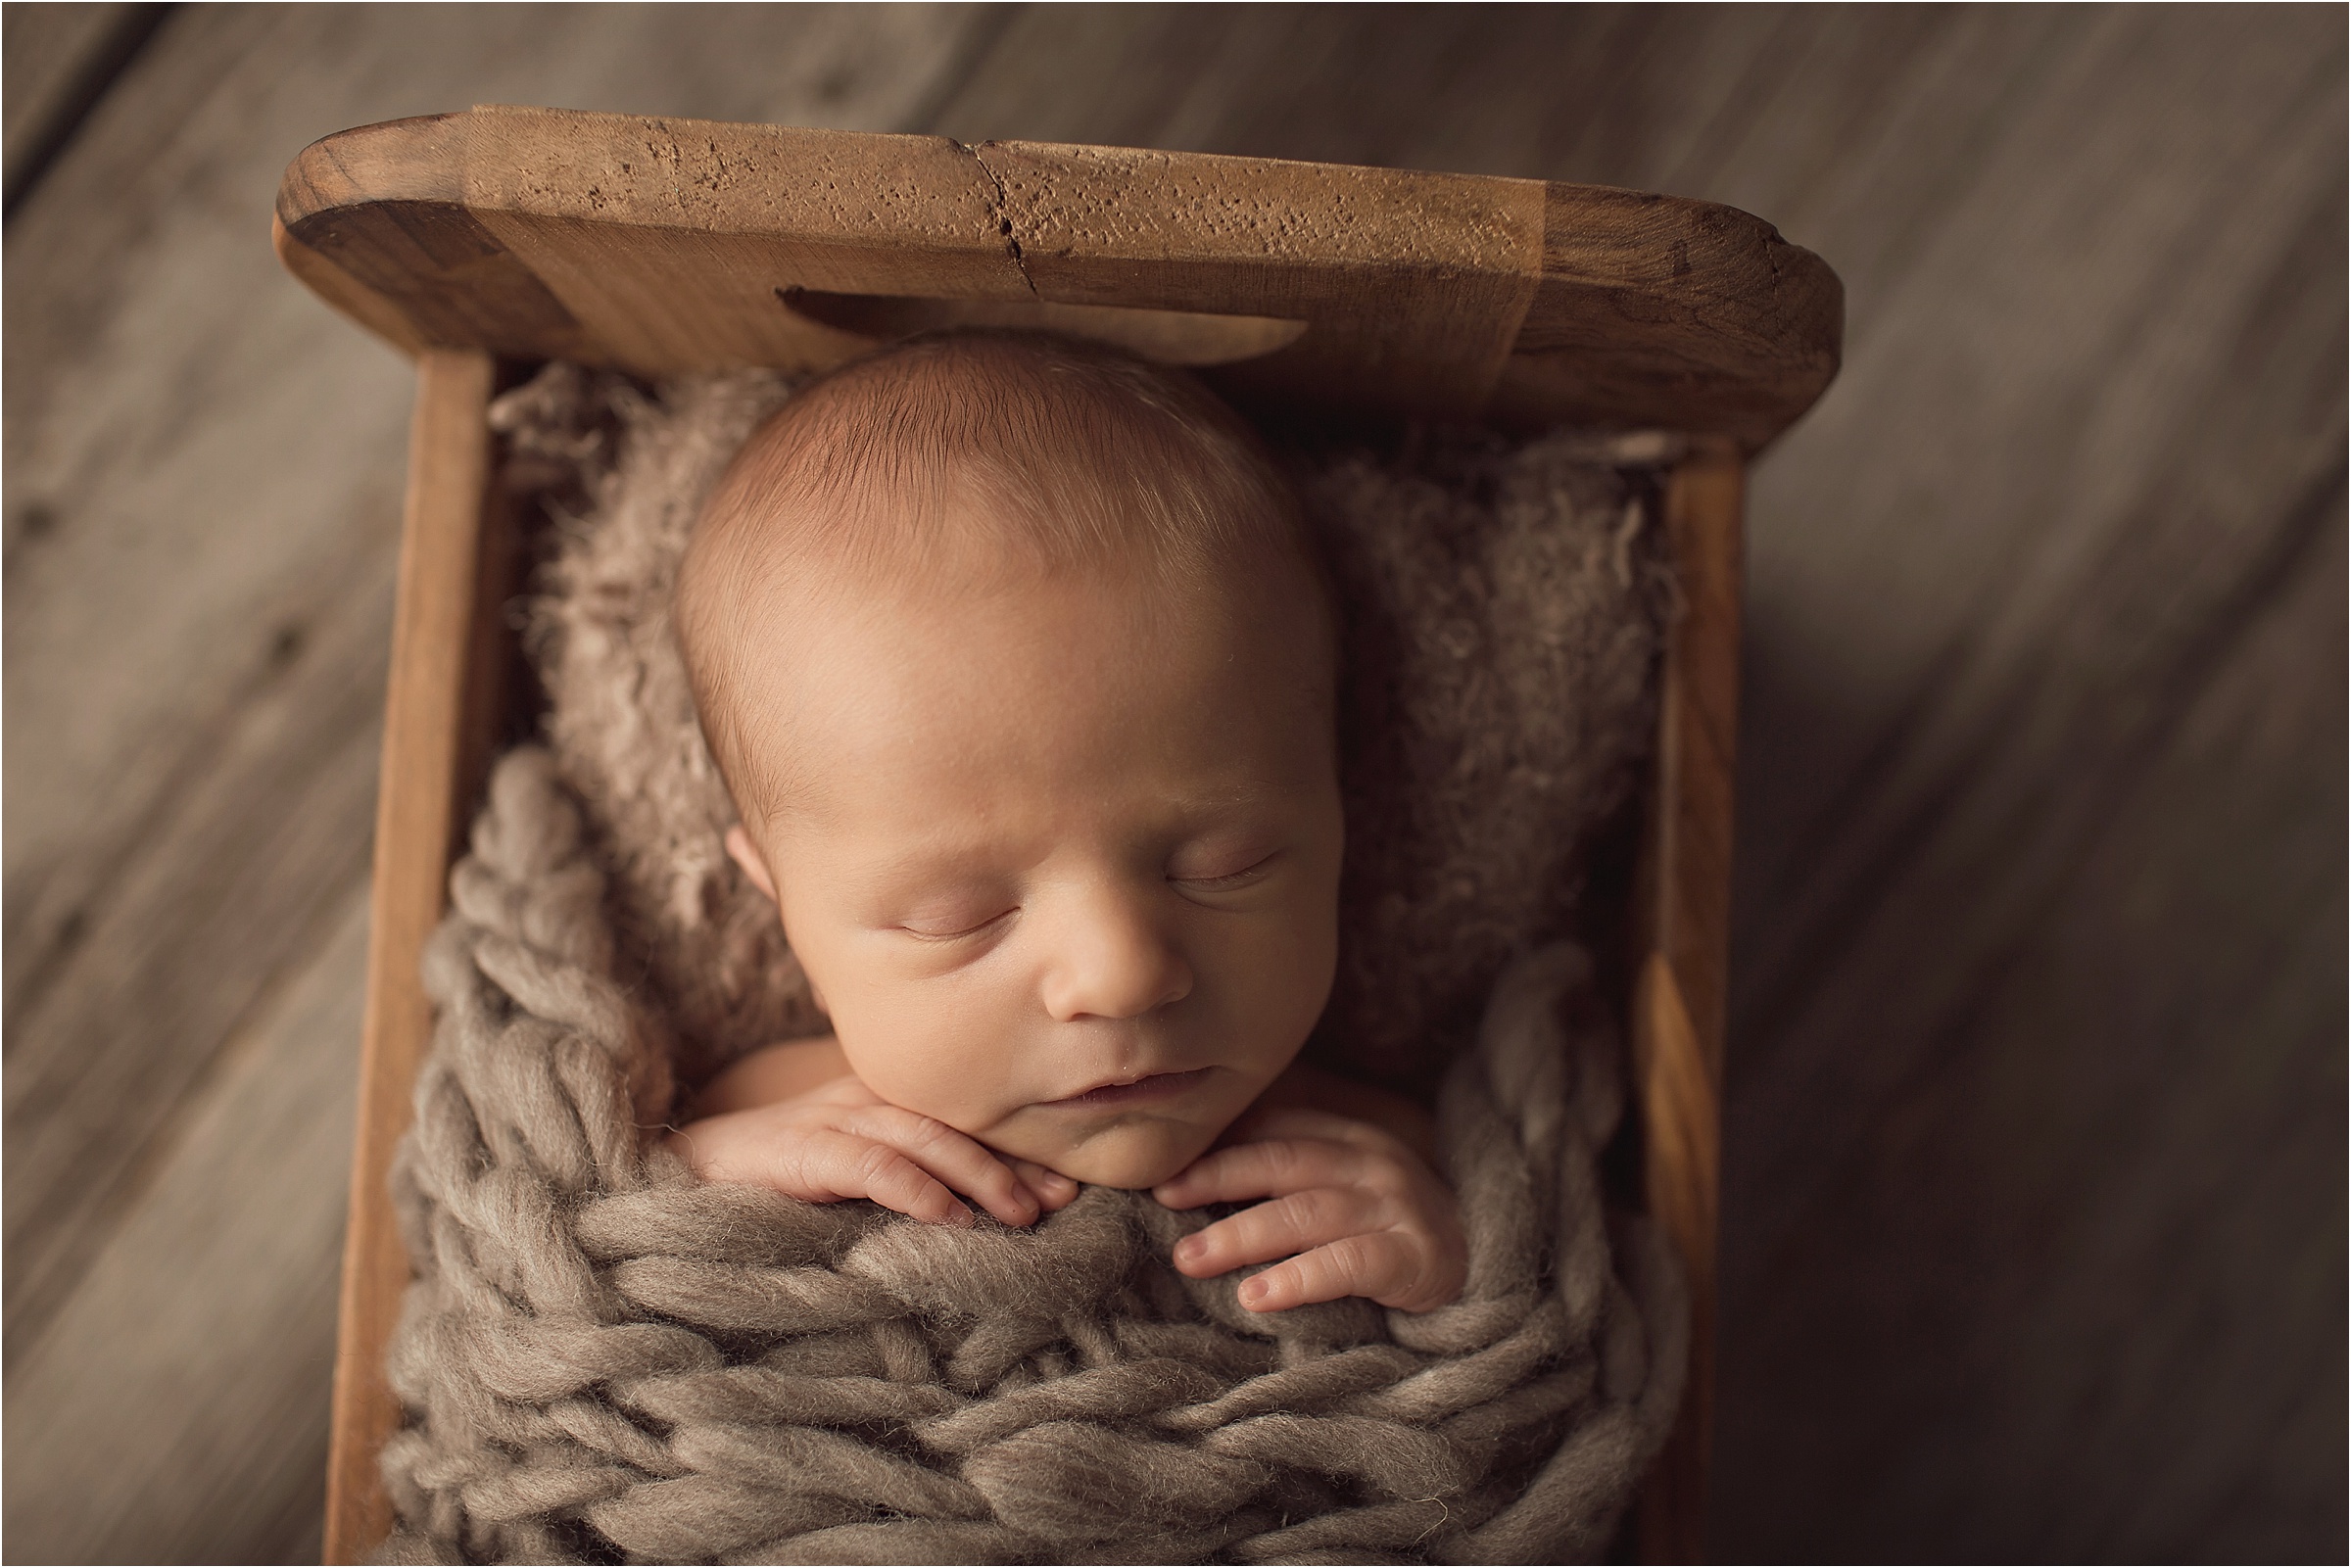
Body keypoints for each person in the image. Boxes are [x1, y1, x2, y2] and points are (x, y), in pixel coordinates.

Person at [668, 332, 1463, 1315]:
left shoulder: (1365, 1145)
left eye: (1226, 863)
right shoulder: (772, 1108)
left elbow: (1519, 1306)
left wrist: (1442, 1259)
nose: (1120, 973)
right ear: (783, 905)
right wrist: (699, 1174)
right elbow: (611, 1232)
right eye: (959, 913)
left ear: (1339, 813)